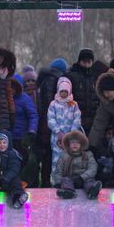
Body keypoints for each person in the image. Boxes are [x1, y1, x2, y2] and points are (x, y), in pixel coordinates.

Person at [35, 57, 67, 187]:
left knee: (47, 154)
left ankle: (46, 181)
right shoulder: (52, 80)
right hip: (49, 124)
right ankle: (48, 182)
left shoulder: (45, 79)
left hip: (45, 122)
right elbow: (50, 104)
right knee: (50, 153)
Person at [64, 48, 106, 135]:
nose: (87, 64)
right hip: (76, 120)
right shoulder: (71, 76)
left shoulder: (96, 77)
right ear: (79, 61)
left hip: (93, 120)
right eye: (84, 61)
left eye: (89, 62)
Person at [47, 77, 82, 179]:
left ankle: (69, 181)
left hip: (71, 138)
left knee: (70, 158)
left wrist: (72, 134)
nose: (63, 94)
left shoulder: (74, 105)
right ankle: (56, 180)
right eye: (61, 91)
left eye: (66, 91)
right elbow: (50, 119)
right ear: (58, 91)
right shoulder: (53, 104)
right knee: (57, 159)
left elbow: (77, 119)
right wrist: (58, 132)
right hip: (57, 138)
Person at [52, 130, 102, 199]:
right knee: (65, 180)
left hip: (83, 178)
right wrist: (57, 182)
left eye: (77, 143)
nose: (75, 144)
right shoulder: (64, 156)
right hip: (70, 179)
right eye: (72, 142)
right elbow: (59, 170)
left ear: (81, 145)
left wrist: (82, 177)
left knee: (89, 181)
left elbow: (93, 168)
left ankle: (92, 191)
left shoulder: (88, 155)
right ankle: (68, 192)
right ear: (68, 144)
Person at [10, 74, 38, 187]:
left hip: (22, 137)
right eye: (9, 86)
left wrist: (32, 131)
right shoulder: (5, 98)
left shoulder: (24, 99)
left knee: (25, 161)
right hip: (8, 137)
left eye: (13, 87)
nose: (11, 90)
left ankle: (26, 184)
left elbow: (33, 115)